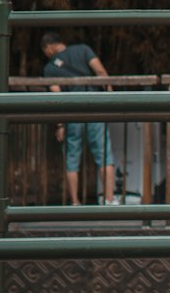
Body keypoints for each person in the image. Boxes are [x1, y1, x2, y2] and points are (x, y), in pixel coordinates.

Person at [39, 32, 117, 205]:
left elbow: (56, 96)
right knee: (103, 153)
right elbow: (101, 72)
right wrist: (110, 99)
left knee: (72, 156)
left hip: (72, 109)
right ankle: (110, 200)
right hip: (94, 106)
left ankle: (75, 202)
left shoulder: (49, 68)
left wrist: (60, 124)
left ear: (48, 47)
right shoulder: (83, 50)